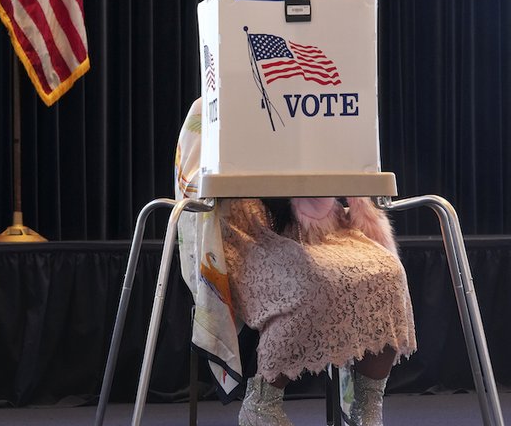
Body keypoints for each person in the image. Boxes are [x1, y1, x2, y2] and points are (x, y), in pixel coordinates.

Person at [175, 98, 416, 426]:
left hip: (314, 228)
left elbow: (342, 160)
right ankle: (262, 403)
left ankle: (367, 407)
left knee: (387, 272)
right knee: (308, 284)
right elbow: (193, 182)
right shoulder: (212, 105)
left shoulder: (308, 100)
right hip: (242, 228)